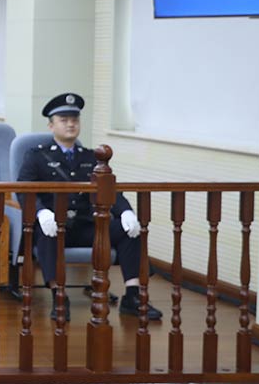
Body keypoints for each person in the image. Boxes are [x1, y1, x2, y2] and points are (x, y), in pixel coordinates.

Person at [18, 92, 161, 320]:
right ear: (51, 125)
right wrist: (40, 212)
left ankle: (133, 296)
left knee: (129, 231)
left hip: (85, 225)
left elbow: (110, 190)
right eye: (64, 120)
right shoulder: (36, 156)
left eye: (75, 119)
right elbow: (24, 190)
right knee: (47, 233)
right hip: (53, 225)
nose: (71, 124)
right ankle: (59, 296)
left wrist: (126, 211)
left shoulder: (92, 157)